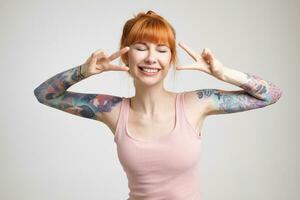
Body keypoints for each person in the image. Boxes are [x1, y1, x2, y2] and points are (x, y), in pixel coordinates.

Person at [34, 10, 282, 200]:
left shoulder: (196, 103)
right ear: (126, 56)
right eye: (141, 48)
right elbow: (45, 94)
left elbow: (272, 94)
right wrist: (83, 71)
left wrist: (224, 73)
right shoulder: (111, 110)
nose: (151, 58)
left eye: (162, 50)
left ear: (171, 59)